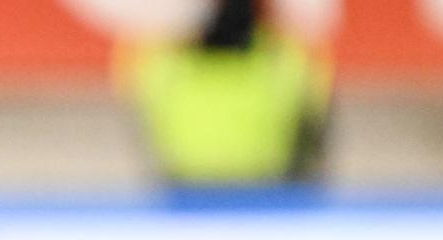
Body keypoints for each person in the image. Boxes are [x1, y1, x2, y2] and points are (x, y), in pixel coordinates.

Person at [118, 0, 331, 187]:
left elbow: (141, 128)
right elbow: (315, 137)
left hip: (191, 194)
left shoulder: (159, 62)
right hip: (266, 195)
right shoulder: (287, 59)